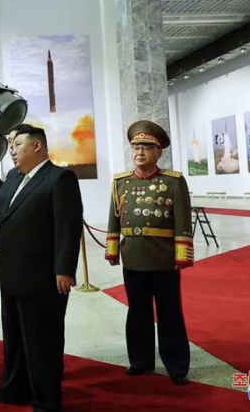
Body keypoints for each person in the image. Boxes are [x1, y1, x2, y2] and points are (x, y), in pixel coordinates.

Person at [0, 123, 83, 412]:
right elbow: (1, 204)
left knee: (42, 342)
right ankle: (15, 389)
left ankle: (46, 400)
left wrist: (64, 269)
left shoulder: (59, 178)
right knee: (15, 339)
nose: (12, 151)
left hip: (42, 278)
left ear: (37, 146)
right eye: (12, 146)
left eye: (17, 145)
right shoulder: (14, 177)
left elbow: (68, 227)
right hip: (11, 274)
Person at [105, 120, 194, 386]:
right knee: (137, 311)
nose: (140, 152)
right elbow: (113, 219)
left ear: (158, 152)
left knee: (169, 313)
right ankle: (140, 360)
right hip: (133, 258)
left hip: (163, 259)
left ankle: (176, 365)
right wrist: (112, 249)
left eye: (146, 147)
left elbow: (182, 220)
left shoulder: (173, 182)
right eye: (136, 147)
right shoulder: (120, 182)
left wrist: (182, 255)